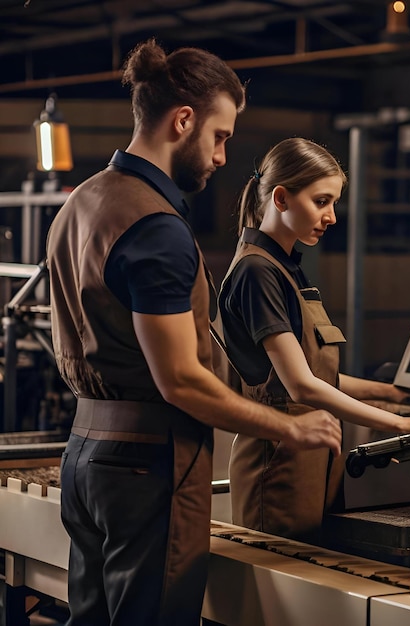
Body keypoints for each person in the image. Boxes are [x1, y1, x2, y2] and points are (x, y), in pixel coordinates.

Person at [46, 41, 341, 626]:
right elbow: (181, 380)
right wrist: (289, 424)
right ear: (183, 120)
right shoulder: (156, 225)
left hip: (83, 457)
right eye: (220, 136)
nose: (224, 156)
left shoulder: (81, 201)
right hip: (147, 464)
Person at [218, 137, 410, 543]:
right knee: (289, 589)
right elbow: (299, 386)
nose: (332, 216)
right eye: (321, 201)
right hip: (280, 457)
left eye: (333, 202)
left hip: (312, 452)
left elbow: (315, 374)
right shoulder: (257, 272)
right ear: (281, 198)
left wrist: (393, 392)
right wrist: (401, 423)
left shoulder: (284, 268)